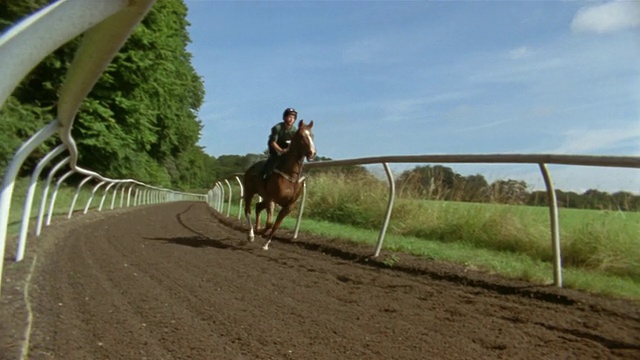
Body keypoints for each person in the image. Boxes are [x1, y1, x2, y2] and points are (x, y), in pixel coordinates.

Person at [262, 107, 298, 179]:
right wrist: (281, 151)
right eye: (289, 117)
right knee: (275, 158)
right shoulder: (277, 128)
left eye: (293, 118)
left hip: (286, 146)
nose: (291, 119)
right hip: (275, 147)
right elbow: (273, 142)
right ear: (285, 117)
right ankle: (264, 174)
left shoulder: (294, 130)